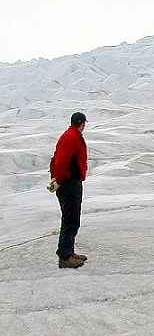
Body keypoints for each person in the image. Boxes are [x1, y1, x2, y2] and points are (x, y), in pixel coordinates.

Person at [49, 112, 89, 269]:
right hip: (69, 183)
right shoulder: (72, 137)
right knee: (70, 220)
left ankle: (69, 252)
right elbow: (61, 161)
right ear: (81, 123)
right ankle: (65, 257)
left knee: (71, 219)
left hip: (70, 182)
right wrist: (60, 179)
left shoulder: (70, 135)